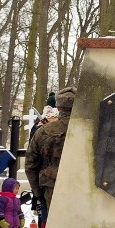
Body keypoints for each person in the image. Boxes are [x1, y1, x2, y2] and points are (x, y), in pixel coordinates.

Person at [26, 86, 75, 217]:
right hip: (82, 188)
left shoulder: (43, 131)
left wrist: (37, 192)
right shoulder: (91, 131)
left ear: (58, 107)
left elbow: (30, 165)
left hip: (50, 188)